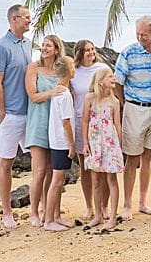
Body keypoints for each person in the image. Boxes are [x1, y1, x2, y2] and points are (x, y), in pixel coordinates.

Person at [114, 15, 151, 219]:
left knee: (148, 156)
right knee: (132, 157)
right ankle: (127, 204)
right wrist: (123, 103)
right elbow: (118, 82)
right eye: (138, 34)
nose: (140, 37)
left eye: (144, 34)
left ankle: (143, 202)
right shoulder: (128, 53)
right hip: (135, 108)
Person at [0, 4, 33, 229]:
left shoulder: (27, 43)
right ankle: (7, 212)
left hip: (30, 112)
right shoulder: (1, 48)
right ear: (14, 19)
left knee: (39, 158)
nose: (29, 20)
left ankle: (42, 204)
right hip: (10, 116)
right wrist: (3, 113)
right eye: (26, 17)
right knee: (6, 162)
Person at [24, 33, 70, 228]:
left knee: (54, 171)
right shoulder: (33, 67)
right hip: (38, 122)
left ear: (56, 49)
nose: (44, 48)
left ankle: (51, 212)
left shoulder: (62, 71)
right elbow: (33, 97)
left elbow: (65, 94)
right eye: (43, 45)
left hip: (56, 126)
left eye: (48, 45)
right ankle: (34, 213)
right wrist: (52, 92)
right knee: (40, 171)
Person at [70, 40, 110, 221]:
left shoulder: (102, 68)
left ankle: (104, 206)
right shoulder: (74, 72)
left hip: (100, 121)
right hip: (81, 121)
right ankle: (89, 206)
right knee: (85, 166)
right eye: (87, 50)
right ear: (79, 53)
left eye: (92, 49)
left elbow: (111, 91)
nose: (91, 52)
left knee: (104, 166)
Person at [82, 66, 124, 231]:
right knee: (96, 181)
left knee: (111, 180)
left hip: (110, 144)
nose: (113, 79)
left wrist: (119, 146)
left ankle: (112, 216)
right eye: (110, 77)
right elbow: (84, 121)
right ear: (100, 81)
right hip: (94, 143)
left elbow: (118, 125)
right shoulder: (90, 98)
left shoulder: (115, 102)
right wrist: (85, 143)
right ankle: (98, 215)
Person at [43, 55, 77, 232]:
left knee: (59, 180)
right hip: (61, 142)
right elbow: (66, 122)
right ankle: (49, 220)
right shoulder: (64, 95)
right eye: (73, 67)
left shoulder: (59, 90)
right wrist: (72, 144)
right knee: (56, 181)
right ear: (69, 71)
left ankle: (56, 216)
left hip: (56, 140)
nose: (75, 69)